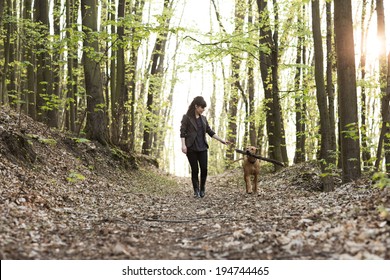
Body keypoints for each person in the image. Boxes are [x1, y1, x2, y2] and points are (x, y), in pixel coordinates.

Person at [180, 96, 230, 198]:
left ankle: (202, 188)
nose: (203, 110)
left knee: (204, 169)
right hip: (191, 148)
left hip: (203, 148)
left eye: (204, 108)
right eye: (202, 107)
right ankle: (196, 190)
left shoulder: (203, 119)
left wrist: (222, 140)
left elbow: (210, 132)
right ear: (196, 106)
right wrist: (183, 145)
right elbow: (182, 132)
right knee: (195, 170)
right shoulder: (186, 117)